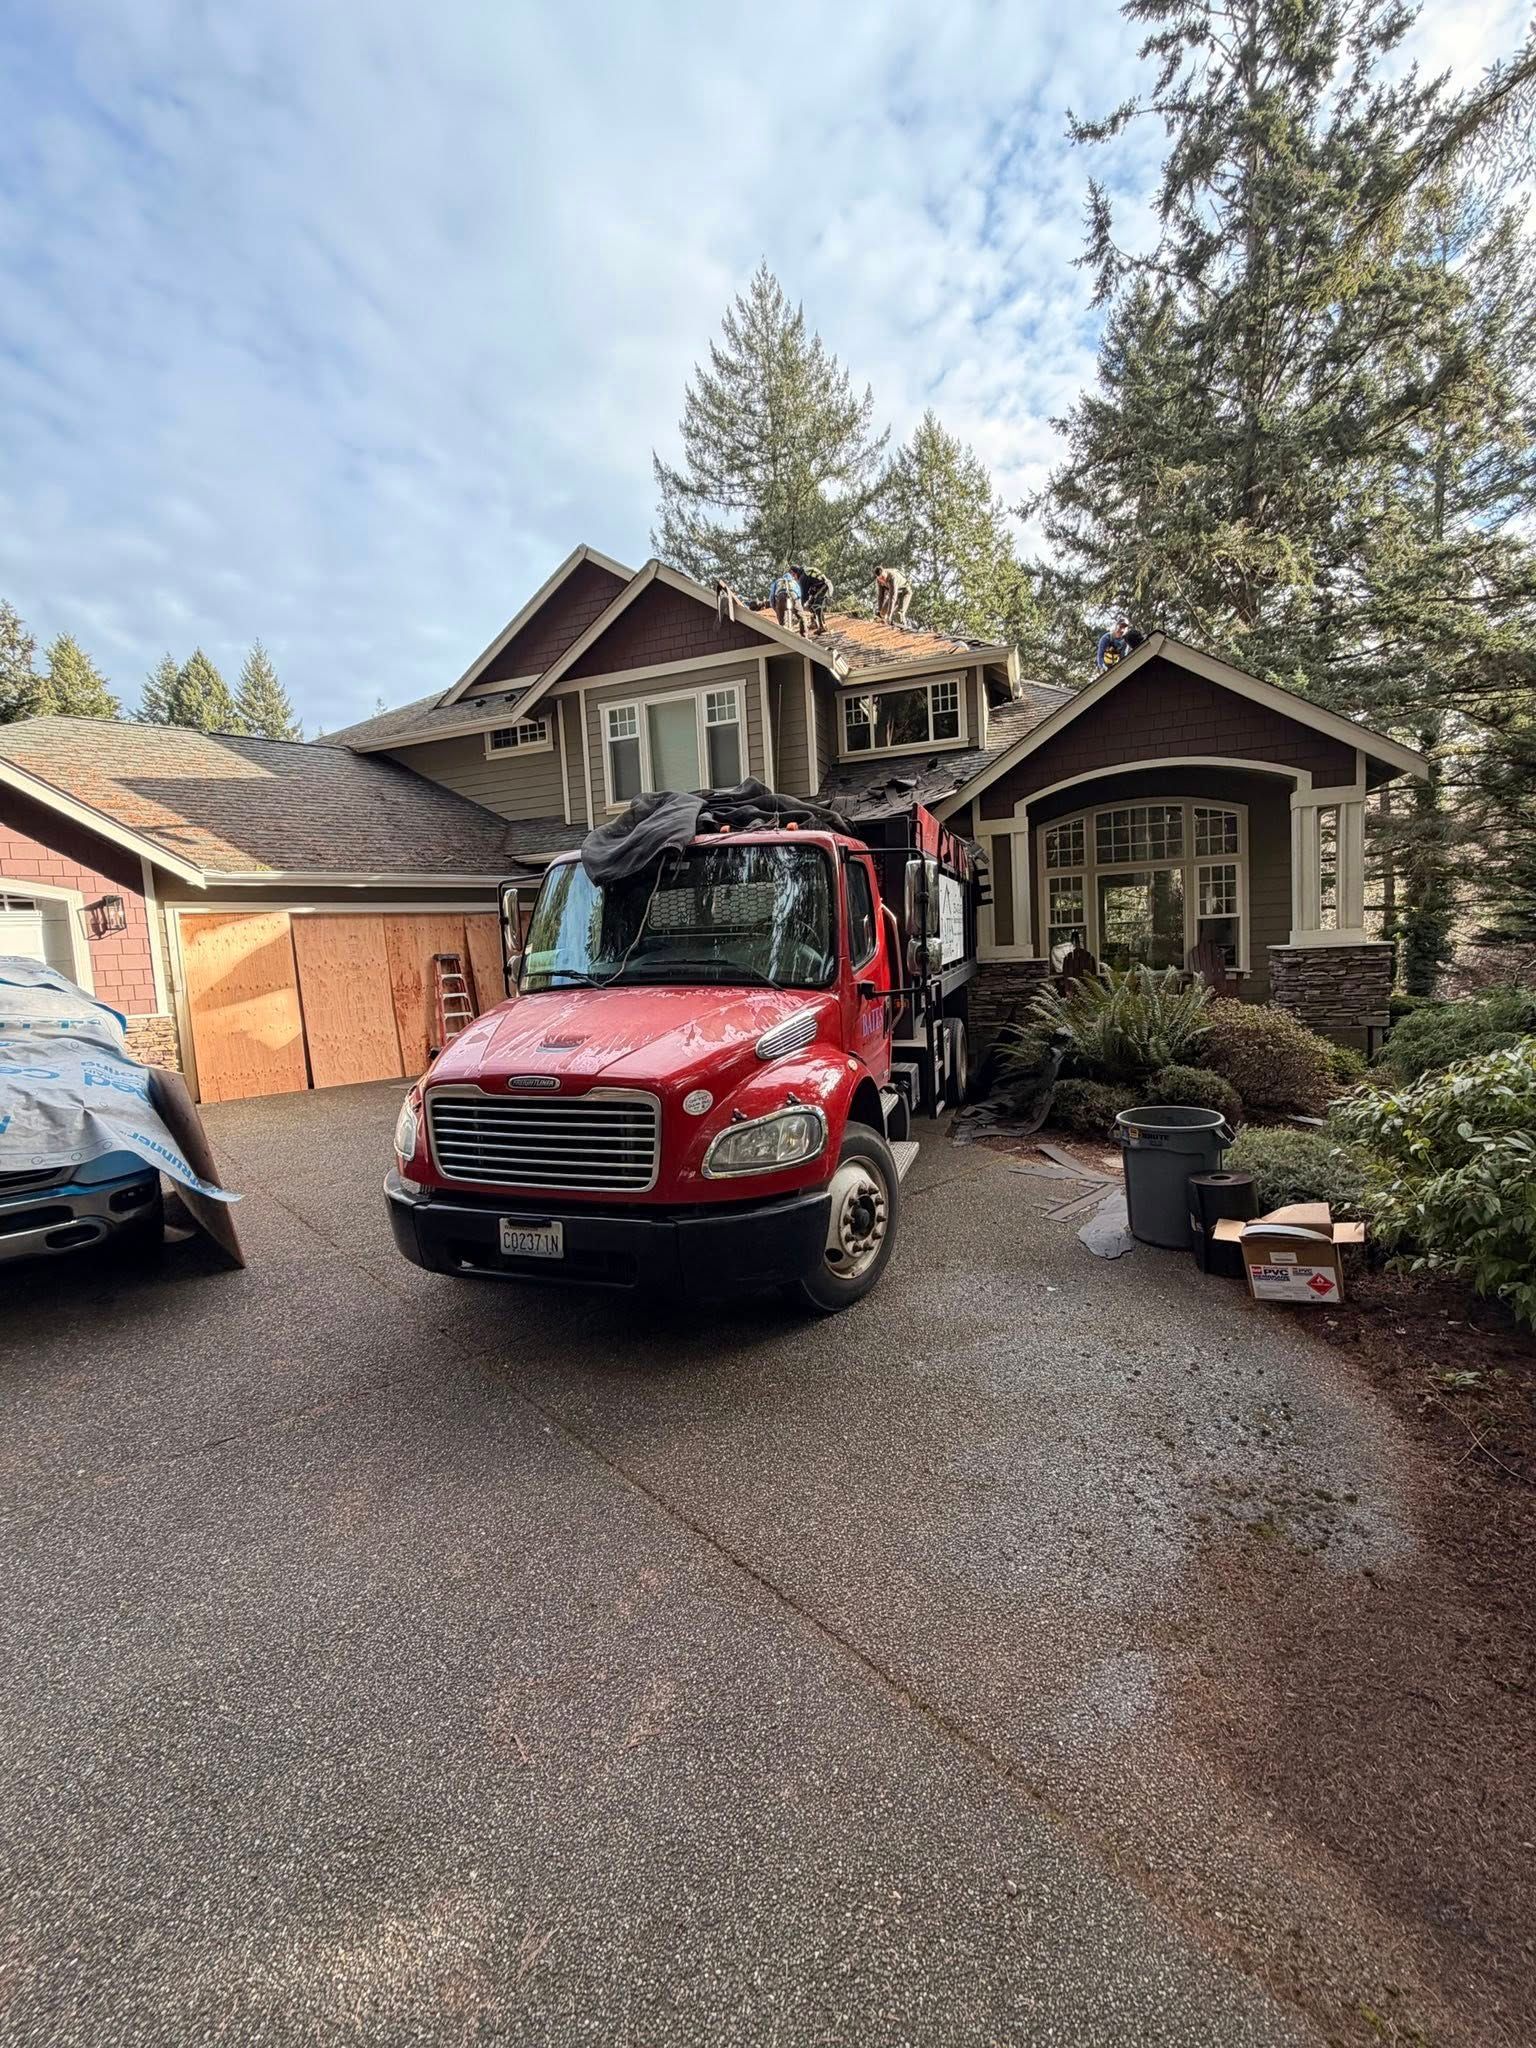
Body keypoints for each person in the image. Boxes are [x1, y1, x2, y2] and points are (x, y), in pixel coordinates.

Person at [791, 564, 832, 633]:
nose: (794, 577)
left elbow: (804, 596)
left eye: (793, 575)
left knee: (816, 605)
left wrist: (798, 609)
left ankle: (822, 626)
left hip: (824, 587)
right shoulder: (805, 572)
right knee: (811, 604)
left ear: (795, 573)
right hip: (823, 586)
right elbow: (810, 591)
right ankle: (814, 623)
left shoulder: (802, 577)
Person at [770, 568, 806, 634]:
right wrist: (798, 610)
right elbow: (799, 596)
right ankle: (804, 635)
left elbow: (772, 598)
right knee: (802, 618)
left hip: (781, 597)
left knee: (782, 622)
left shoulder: (777, 581)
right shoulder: (794, 582)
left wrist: (777, 611)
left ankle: (784, 633)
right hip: (793, 595)